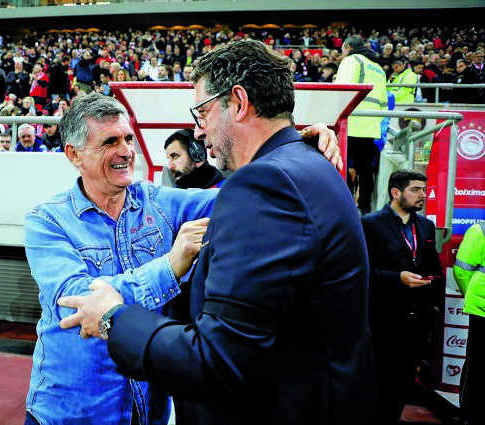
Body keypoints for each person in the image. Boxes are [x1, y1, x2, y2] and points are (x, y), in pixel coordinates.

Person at [57, 39, 379, 425]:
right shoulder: (305, 165)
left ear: (238, 102)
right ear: (74, 154)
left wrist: (114, 318)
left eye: (203, 112)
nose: (198, 130)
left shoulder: (266, 183)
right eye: (109, 142)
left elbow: (220, 364)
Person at [361, 169, 444, 425]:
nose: (422, 195)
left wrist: (433, 303)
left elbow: (434, 267)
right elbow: (361, 271)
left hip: (416, 322)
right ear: (395, 192)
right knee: (378, 383)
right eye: (415, 190)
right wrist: (397, 278)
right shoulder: (370, 224)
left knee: (402, 384)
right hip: (382, 320)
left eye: (424, 190)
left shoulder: (426, 226)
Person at [337, 35, 388, 215]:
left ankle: (347, 204)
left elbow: (341, 91)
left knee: (340, 165)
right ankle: (364, 207)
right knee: (365, 169)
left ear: (349, 47)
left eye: (342, 50)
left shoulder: (352, 60)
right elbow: (383, 103)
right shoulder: (379, 68)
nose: (342, 54)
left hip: (350, 123)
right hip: (370, 125)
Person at [454, 222, 485, 425]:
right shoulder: (480, 231)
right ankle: (468, 417)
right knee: (477, 366)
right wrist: (472, 296)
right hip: (482, 310)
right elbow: (461, 271)